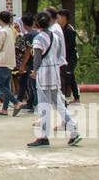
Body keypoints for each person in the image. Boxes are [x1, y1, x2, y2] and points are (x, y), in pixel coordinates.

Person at [26, 12, 80, 148]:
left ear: (37, 23)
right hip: (54, 73)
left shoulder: (38, 39)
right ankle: (73, 130)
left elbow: (37, 58)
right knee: (59, 104)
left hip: (44, 75)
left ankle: (44, 136)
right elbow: (57, 54)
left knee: (44, 106)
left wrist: (34, 71)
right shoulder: (55, 36)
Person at [0, 10, 18, 115]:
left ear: (0, 19)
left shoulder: (2, 32)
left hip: (2, 61)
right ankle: (5, 109)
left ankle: (16, 103)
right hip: (10, 61)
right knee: (6, 85)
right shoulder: (11, 30)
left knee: (0, 85)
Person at [58, 9, 80, 104]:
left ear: (64, 18)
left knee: (68, 75)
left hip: (71, 57)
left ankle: (66, 96)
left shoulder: (69, 29)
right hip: (64, 56)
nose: (58, 19)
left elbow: (71, 45)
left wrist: (61, 48)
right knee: (71, 76)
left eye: (59, 17)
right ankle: (76, 97)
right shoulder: (60, 28)